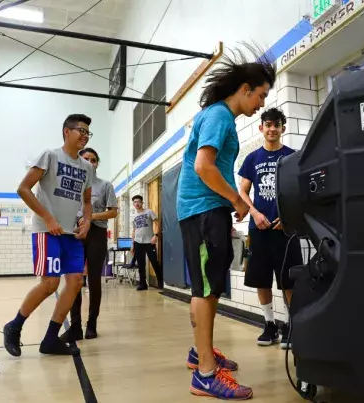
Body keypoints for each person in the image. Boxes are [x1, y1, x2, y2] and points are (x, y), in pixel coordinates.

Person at [177, 47, 276, 400]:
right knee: (208, 290)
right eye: (262, 95)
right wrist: (235, 199)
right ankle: (205, 373)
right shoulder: (219, 116)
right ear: (246, 88)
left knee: (204, 287)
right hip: (203, 210)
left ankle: (199, 352)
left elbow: (212, 169)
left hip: (203, 210)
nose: (262, 104)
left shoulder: (218, 116)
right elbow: (204, 167)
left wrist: (231, 200)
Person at [2, 114, 94, 357]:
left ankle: (51, 339)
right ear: (66, 131)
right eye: (80, 131)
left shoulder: (86, 167)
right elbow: (23, 188)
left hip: (71, 234)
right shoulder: (50, 156)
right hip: (47, 230)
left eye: (87, 133)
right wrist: (49, 218)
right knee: (50, 283)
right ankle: (14, 326)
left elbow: (87, 201)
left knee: (75, 283)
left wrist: (87, 221)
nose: (84, 136)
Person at [237, 107, 303, 349]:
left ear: (283, 128)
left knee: (289, 281)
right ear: (261, 128)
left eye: (277, 124)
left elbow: (301, 192)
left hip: (286, 230)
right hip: (259, 230)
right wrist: (253, 213)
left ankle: (292, 326)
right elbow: (242, 191)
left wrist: (289, 217)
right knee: (261, 279)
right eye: (268, 124)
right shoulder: (252, 159)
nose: (272, 128)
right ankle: (270, 325)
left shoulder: (294, 157)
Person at [60, 147, 118, 342]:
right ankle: (75, 324)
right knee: (74, 281)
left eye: (94, 160)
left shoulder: (105, 185)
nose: (90, 163)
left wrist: (90, 216)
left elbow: (112, 212)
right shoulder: (71, 185)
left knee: (94, 280)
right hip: (74, 233)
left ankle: (91, 323)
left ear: (97, 163)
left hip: (96, 234)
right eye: (86, 159)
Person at [130, 195, 163, 291]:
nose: (137, 203)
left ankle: (161, 283)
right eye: (135, 202)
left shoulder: (149, 212)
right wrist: (132, 245)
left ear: (142, 203)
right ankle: (143, 284)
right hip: (138, 242)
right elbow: (134, 231)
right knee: (140, 264)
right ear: (133, 204)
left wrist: (156, 235)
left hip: (149, 242)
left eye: (139, 201)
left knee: (154, 262)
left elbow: (157, 223)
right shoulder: (134, 217)